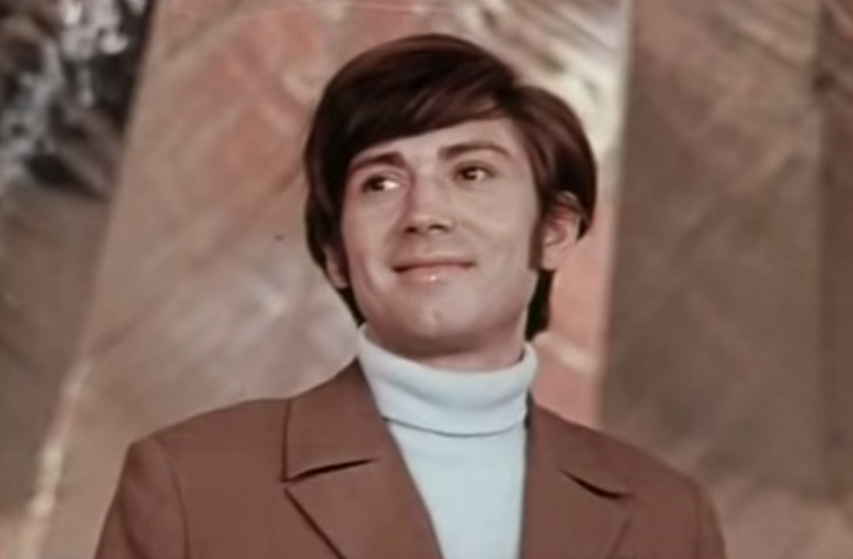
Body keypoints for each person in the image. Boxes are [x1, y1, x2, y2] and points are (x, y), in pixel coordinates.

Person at [94, 33, 726, 559]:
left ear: (554, 231)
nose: (424, 213)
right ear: (336, 255)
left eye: (470, 172)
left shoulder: (668, 517)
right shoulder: (190, 485)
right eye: (381, 183)